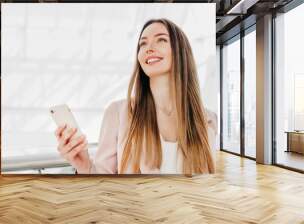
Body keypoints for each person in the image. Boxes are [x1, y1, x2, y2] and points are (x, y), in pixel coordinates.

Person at [55, 18, 217, 175]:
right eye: (143, 43)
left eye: (161, 40)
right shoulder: (118, 113)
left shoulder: (208, 119)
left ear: (180, 52)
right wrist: (84, 165)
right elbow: (102, 181)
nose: (149, 48)